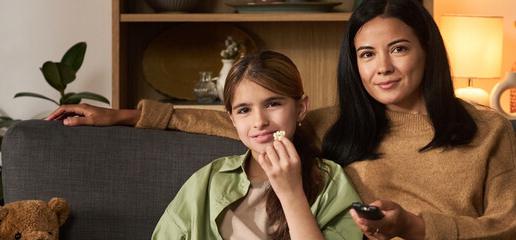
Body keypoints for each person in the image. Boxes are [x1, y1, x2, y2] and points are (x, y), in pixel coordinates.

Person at [46, 0, 516, 239]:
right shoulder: (341, 124)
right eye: (366, 54)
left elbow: (509, 229)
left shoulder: (488, 130)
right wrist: (127, 114)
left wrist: (416, 228)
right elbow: (251, 122)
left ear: (427, 50)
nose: (382, 67)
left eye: (398, 49)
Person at [149, 51, 362, 239]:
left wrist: (291, 192)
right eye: (244, 110)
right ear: (232, 119)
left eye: (272, 104)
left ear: (301, 108)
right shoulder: (207, 181)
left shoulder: (330, 181)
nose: (259, 121)